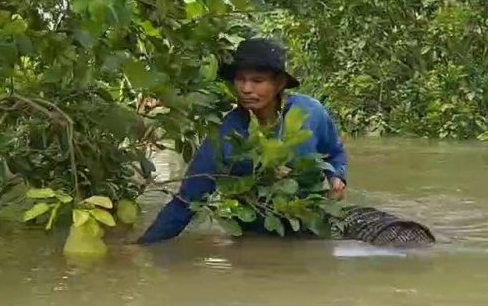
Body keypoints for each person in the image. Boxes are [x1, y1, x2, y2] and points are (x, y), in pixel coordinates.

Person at [137, 38, 348, 245]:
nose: (246, 89)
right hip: (254, 238)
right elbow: (187, 202)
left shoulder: (310, 113)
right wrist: (144, 247)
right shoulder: (225, 135)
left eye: (257, 81)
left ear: (280, 83)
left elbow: (334, 152)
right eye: (240, 79)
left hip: (308, 227)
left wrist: (337, 176)